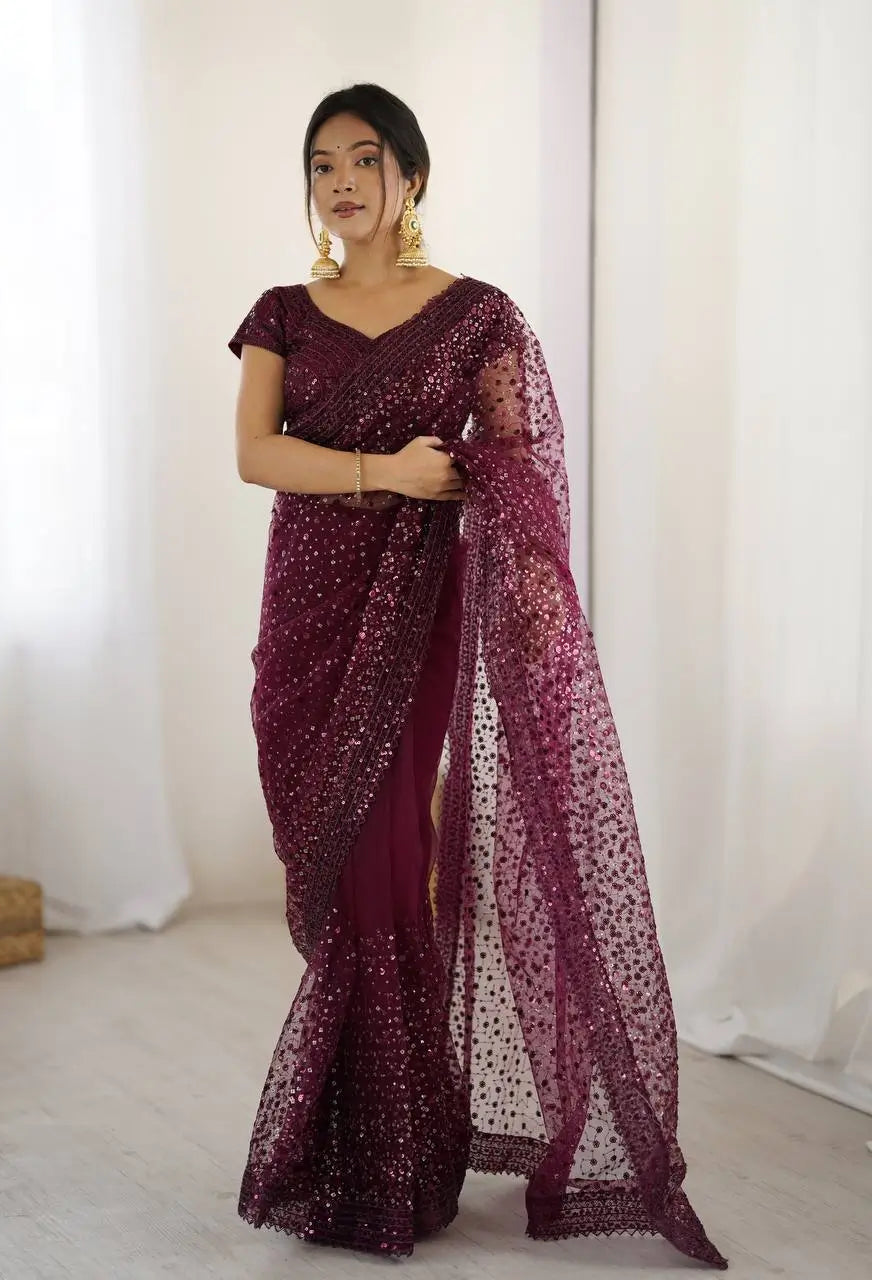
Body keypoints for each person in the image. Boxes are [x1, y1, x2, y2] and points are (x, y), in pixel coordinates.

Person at [227, 82, 728, 1269]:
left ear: (411, 175)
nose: (341, 182)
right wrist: (389, 473)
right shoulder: (281, 313)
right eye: (321, 165)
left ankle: (388, 1159)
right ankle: (384, 1134)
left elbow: (522, 464)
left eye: (364, 159)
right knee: (328, 852)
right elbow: (253, 454)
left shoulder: (478, 315)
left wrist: (541, 614)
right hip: (304, 618)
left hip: (416, 613)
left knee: (386, 852)